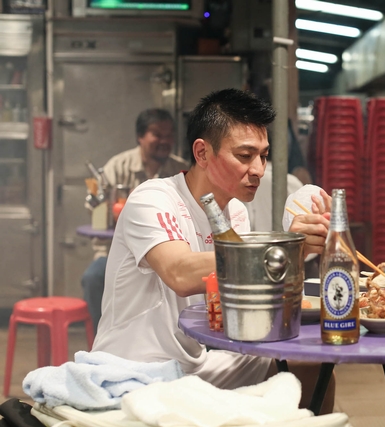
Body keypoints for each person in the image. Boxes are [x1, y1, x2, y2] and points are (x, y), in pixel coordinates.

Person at [91, 88, 335, 413]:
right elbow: (179, 272)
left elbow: (245, 293)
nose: (259, 169)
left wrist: (300, 251)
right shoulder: (153, 198)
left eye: (263, 156)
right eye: (245, 156)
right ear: (202, 153)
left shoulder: (236, 213)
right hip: (136, 372)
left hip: (195, 366)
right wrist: (284, 248)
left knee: (313, 369)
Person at [81, 108, 189, 333]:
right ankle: (105, 338)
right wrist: (115, 210)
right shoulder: (118, 166)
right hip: (114, 252)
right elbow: (94, 207)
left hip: (166, 253)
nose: (164, 141)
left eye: (169, 135)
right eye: (157, 134)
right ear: (140, 136)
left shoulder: (180, 171)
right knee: (93, 277)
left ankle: (169, 341)